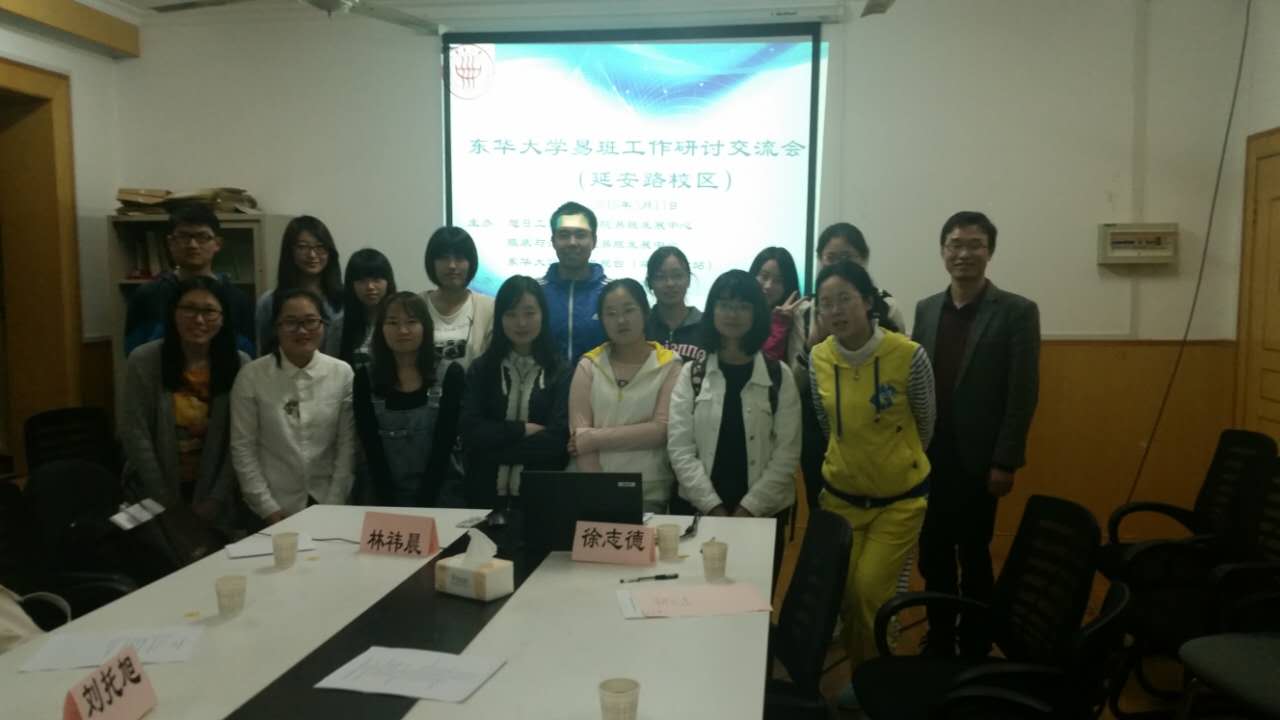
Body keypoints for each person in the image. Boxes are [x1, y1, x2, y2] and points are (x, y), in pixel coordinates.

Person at [912, 211, 1040, 658]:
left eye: (975, 245)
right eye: (955, 244)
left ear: (989, 252)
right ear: (942, 250)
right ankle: (940, 634)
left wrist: (1006, 460)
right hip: (930, 457)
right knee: (932, 552)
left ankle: (976, 640)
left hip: (980, 461)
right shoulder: (927, 309)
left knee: (974, 552)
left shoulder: (1017, 312)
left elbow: (1022, 393)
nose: (963, 253)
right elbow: (916, 382)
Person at [808, 260, 935, 710]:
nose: (835, 310)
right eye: (826, 304)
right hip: (840, 498)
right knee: (846, 596)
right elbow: (827, 425)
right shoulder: (819, 358)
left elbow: (926, 423)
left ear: (867, 301)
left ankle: (876, 687)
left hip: (898, 502)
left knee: (870, 594)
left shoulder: (908, 354)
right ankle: (868, 681)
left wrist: (893, 461)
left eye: (844, 299)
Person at [667, 270, 800, 577]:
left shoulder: (779, 376)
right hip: (699, 510)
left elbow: (787, 453)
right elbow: (680, 449)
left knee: (755, 594)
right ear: (712, 310)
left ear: (757, 313)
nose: (733, 314)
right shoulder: (692, 375)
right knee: (695, 594)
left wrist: (748, 509)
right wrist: (712, 507)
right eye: (725, 305)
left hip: (764, 513)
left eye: (743, 306)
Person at [121, 276, 250, 566]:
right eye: (189, 309)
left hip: (217, 494)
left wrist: (216, 499)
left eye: (209, 311)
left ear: (223, 318)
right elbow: (135, 433)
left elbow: (240, 440)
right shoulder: (144, 360)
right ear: (173, 313)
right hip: (154, 493)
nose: (199, 319)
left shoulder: (239, 363)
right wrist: (166, 502)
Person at [232, 288, 355, 524]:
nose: (302, 330)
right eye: (291, 322)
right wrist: (266, 507)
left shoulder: (341, 373)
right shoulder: (252, 375)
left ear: (323, 324)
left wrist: (334, 503)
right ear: (276, 327)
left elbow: (346, 446)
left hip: (328, 499)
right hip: (271, 504)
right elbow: (243, 447)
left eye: (310, 321)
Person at [569, 279, 682, 512]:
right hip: (591, 491)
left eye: (629, 310)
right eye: (611, 314)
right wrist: (600, 490)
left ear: (645, 312)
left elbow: (660, 431)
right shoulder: (588, 364)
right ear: (602, 320)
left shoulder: (670, 364)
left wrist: (593, 439)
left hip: (648, 490)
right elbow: (579, 439)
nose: (621, 320)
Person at [459, 276, 571, 509]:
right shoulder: (482, 369)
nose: (521, 323)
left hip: (542, 497)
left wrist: (492, 446)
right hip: (483, 494)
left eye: (529, 313)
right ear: (499, 317)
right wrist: (522, 429)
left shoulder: (560, 370)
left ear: (543, 315)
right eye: (511, 314)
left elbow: (558, 440)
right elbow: (469, 432)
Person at [353, 292, 464, 506]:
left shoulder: (451, 374)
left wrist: (425, 503)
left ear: (425, 327)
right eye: (393, 322)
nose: (402, 330)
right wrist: (390, 503)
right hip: (382, 494)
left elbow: (444, 444)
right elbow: (370, 446)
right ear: (381, 328)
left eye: (411, 322)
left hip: (441, 493)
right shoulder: (365, 378)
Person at [123, 205, 255, 356]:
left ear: (217, 244)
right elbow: (134, 353)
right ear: (170, 243)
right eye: (184, 237)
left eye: (202, 237)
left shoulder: (237, 299)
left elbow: (247, 355)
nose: (193, 245)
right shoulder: (147, 295)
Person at [255, 215, 343, 356]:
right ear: (290, 251)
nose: (312, 254)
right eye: (303, 247)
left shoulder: (344, 299)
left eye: (320, 247)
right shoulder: (269, 302)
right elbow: (264, 353)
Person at [540, 201, 609, 363]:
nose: (572, 242)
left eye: (581, 234)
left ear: (594, 240)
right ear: (553, 241)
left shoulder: (612, 293)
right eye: (564, 235)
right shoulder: (535, 293)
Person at [420, 226, 494, 371]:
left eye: (459, 258)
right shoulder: (418, 305)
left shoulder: (488, 307)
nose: (452, 265)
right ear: (432, 262)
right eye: (444, 258)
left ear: (471, 263)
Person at [331, 249, 395, 370]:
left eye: (376, 279)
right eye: (362, 280)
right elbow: (331, 369)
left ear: (388, 281)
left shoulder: (400, 323)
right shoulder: (339, 327)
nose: (370, 286)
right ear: (351, 285)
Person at [644, 246, 705, 364]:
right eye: (660, 277)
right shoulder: (641, 326)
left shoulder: (707, 325)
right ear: (650, 283)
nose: (670, 283)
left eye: (677, 275)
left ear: (688, 280)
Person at [749, 247, 806, 367]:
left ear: (787, 286)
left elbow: (766, 364)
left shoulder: (795, 317)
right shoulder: (742, 313)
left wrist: (780, 323)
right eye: (764, 276)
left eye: (778, 281)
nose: (768, 285)